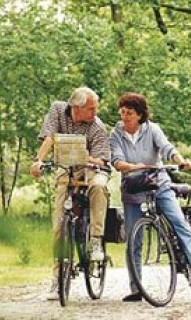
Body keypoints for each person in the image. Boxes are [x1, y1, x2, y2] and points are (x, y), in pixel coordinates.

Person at [110, 92, 191, 302]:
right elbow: (116, 160)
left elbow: (167, 149)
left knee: (178, 221)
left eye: (130, 113)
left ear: (140, 115)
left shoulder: (152, 129)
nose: (125, 116)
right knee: (133, 238)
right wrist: (133, 167)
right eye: (123, 112)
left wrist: (181, 161)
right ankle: (136, 289)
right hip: (133, 187)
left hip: (158, 183)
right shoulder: (116, 133)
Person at [30, 87, 110, 300]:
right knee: (59, 226)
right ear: (77, 107)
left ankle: (95, 239)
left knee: (99, 187)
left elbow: (103, 160)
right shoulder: (58, 110)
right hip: (66, 169)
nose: (95, 112)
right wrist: (39, 160)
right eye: (91, 109)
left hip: (92, 169)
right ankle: (57, 280)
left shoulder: (97, 126)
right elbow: (50, 137)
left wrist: (85, 157)